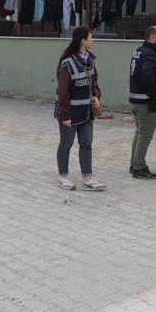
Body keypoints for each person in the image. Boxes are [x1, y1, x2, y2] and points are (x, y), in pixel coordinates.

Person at [54, 27, 106, 191]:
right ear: (83, 40)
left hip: (87, 113)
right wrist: (66, 115)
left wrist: (97, 97)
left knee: (86, 144)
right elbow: (63, 92)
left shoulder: (90, 60)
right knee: (66, 144)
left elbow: (95, 85)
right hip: (70, 113)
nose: (93, 40)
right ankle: (63, 177)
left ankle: (87, 177)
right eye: (91, 37)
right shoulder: (67, 64)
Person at [128, 26, 156, 179]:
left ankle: (134, 164)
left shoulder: (139, 51)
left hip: (137, 100)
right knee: (145, 135)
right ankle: (139, 167)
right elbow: (146, 75)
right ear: (152, 37)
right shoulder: (151, 54)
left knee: (139, 133)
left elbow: (145, 74)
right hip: (145, 102)